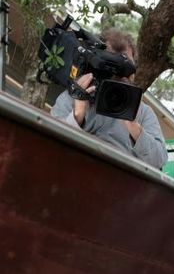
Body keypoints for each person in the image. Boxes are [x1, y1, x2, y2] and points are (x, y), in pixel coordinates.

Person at [51, 27, 167, 170]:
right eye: (111, 63)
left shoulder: (142, 111)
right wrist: (78, 114)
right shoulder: (71, 98)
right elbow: (51, 145)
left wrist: (134, 126)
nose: (120, 73)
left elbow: (158, 161)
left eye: (126, 66)